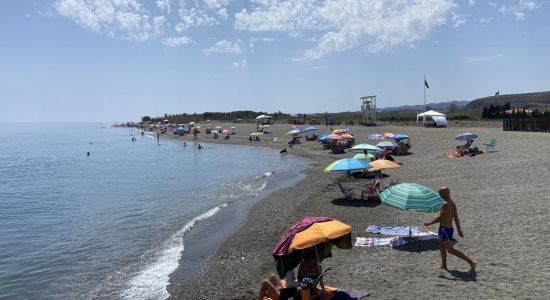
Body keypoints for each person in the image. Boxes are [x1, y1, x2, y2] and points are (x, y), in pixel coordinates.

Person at [424, 187, 477, 272]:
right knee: (441, 246)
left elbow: (441, 218)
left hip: (446, 230)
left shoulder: (445, 204)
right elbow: (456, 217)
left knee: (450, 250)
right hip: (443, 228)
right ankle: (444, 265)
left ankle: (471, 262)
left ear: (445, 194)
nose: (439, 195)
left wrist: (429, 223)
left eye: (440, 194)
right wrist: (459, 229)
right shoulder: (452, 203)